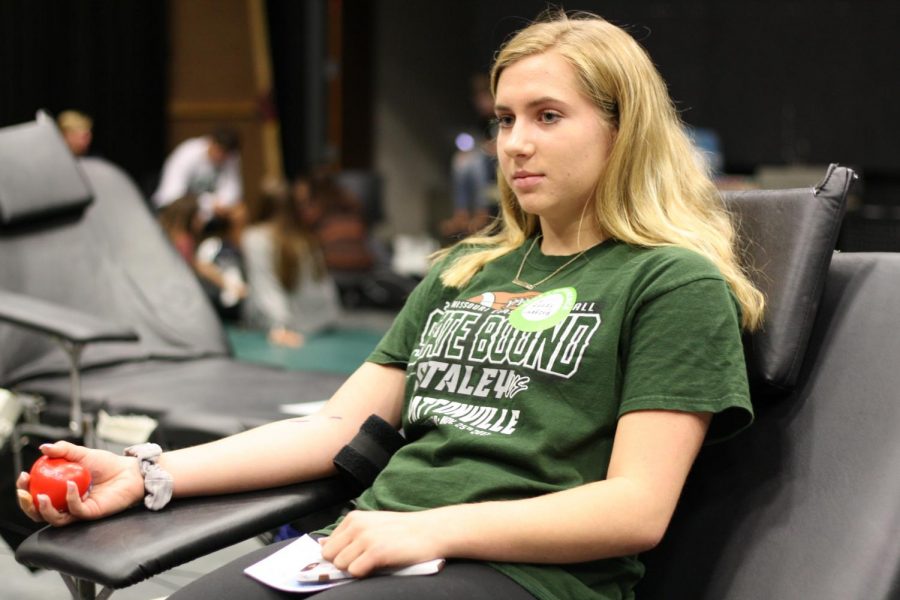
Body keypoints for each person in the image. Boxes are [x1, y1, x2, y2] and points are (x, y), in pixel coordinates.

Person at [16, 11, 765, 599]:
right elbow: (337, 426)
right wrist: (148, 471)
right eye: (505, 120)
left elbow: (636, 507)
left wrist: (428, 531)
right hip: (367, 542)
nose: (514, 145)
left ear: (622, 128)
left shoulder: (672, 283)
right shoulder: (468, 270)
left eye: (547, 116)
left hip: (526, 576)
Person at [241, 177, 341, 348]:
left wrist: (280, 326)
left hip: (289, 328)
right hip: (321, 324)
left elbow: (265, 286)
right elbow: (326, 289)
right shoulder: (308, 238)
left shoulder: (255, 237)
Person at [439, 73, 498, 238]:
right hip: (486, 158)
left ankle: (482, 212)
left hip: (499, 163)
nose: (480, 104)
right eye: (478, 100)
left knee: (478, 161)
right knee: (461, 160)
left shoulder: (504, 116)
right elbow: (482, 142)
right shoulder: (482, 121)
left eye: (484, 99)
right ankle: (461, 213)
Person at [152, 127, 243, 224]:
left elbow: (233, 193)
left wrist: (220, 205)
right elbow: (173, 195)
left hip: (208, 211)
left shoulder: (231, 159)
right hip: (173, 208)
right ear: (210, 142)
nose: (221, 156)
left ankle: (226, 240)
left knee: (239, 213)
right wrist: (208, 204)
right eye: (219, 150)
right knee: (190, 216)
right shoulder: (187, 153)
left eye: (226, 154)